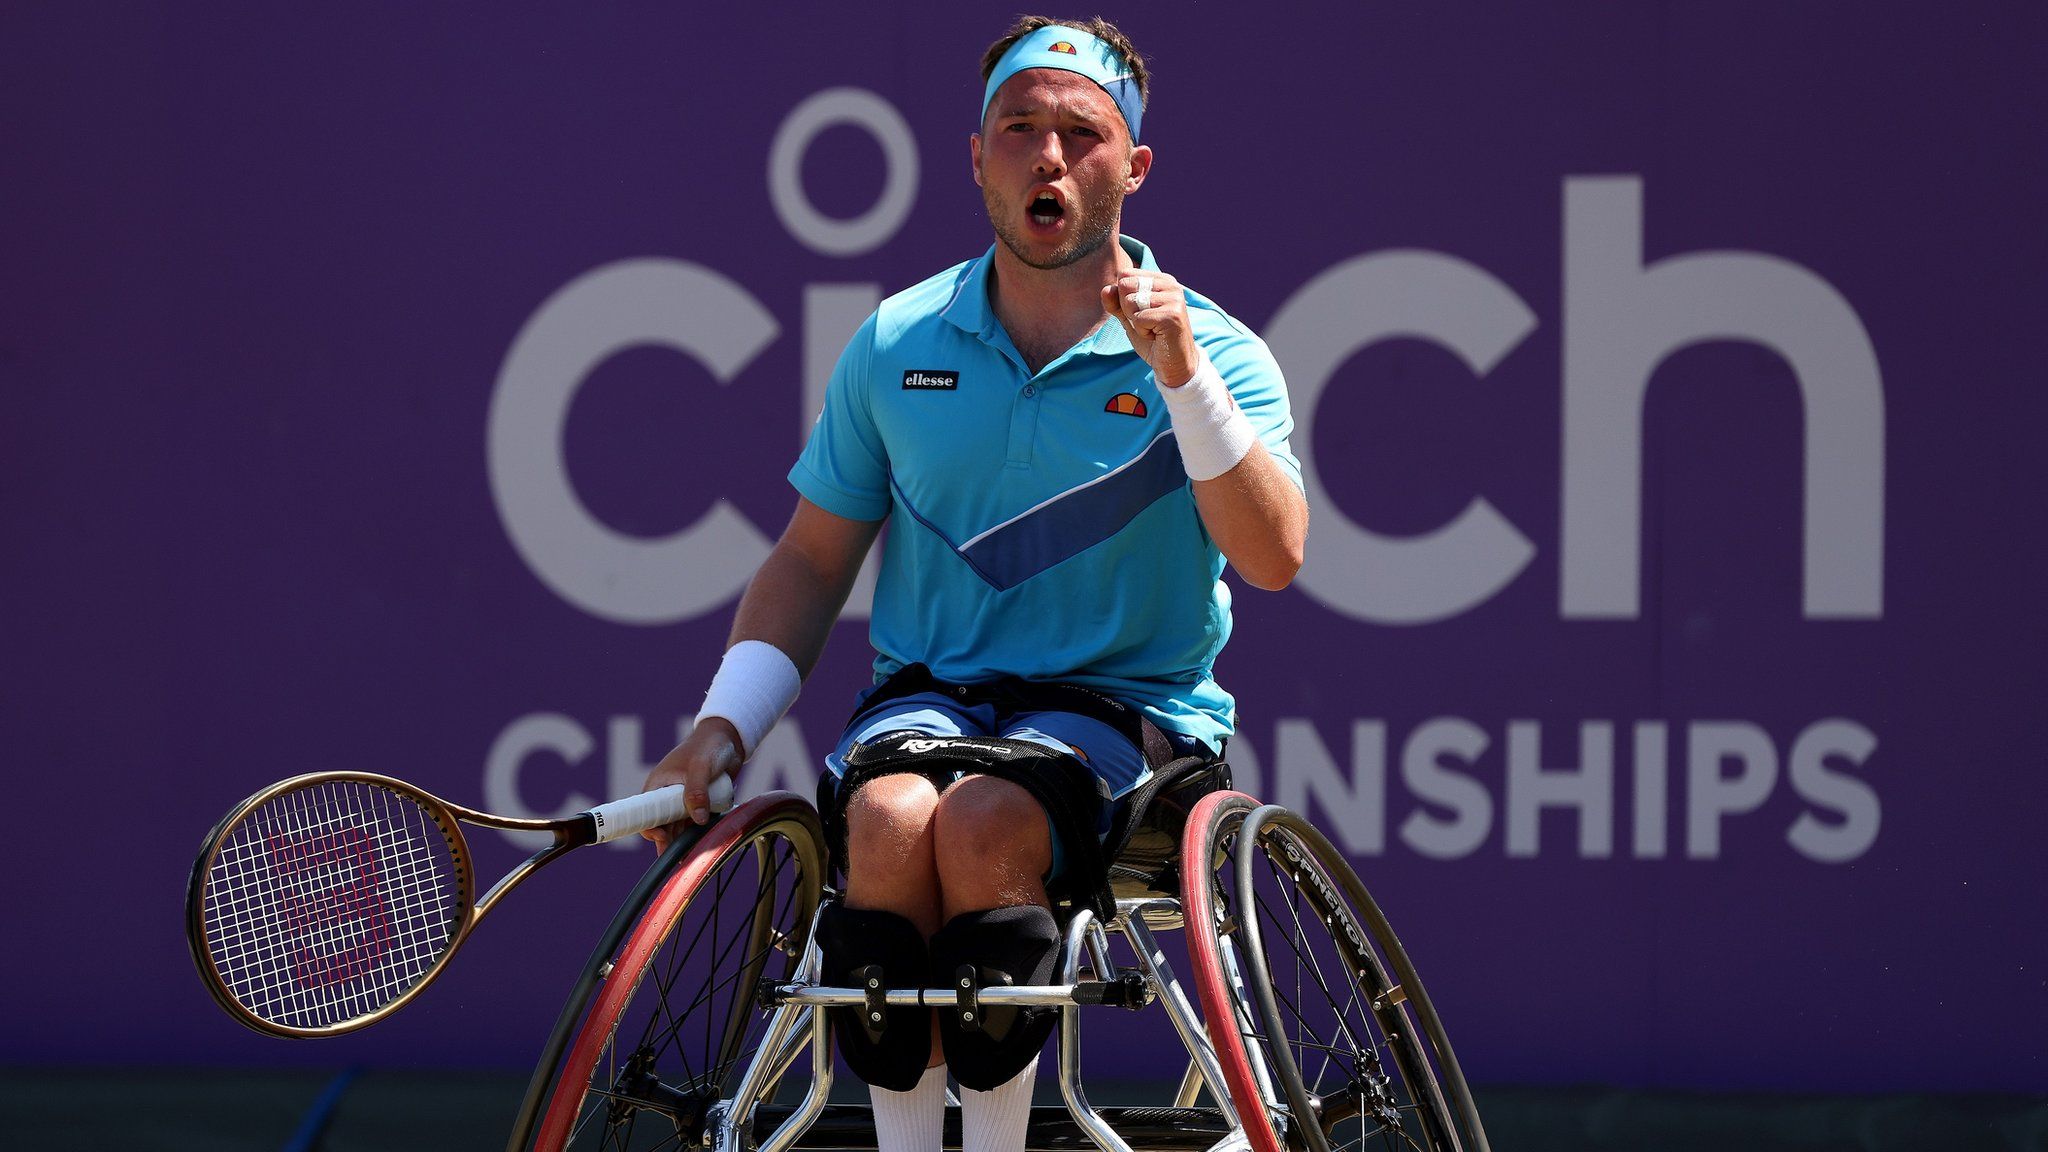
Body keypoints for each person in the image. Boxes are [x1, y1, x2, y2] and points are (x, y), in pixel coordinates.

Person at [640, 15, 1308, 1152]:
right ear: (977, 155)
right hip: (931, 698)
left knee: (987, 821)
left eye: (1081, 135)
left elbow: (1273, 555)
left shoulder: (1215, 351)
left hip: (1128, 715)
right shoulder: (896, 343)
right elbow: (809, 559)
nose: (1048, 156)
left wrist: (1181, 380)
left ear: (1130, 169)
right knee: (892, 819)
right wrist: (722, 725)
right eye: (1019, 128)